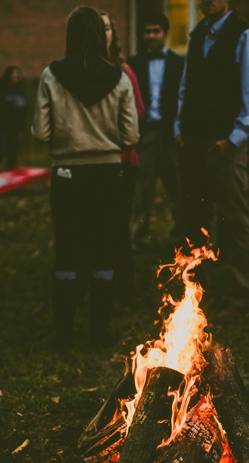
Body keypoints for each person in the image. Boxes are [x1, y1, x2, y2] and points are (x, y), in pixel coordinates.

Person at [32, 6, 139, 350]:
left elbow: (40, 132)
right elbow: (131, 137)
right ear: (99, 34)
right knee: (104, 251)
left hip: (67, 174)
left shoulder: (51, 76)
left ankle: (63, 334)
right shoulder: (120, 77)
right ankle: (99, 332)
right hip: (108, 174)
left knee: (67, 250)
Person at [175, 0, 249, 310]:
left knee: (234, 217)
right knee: (193, 216)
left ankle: (244, 292)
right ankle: (196, 290)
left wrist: (232, 141)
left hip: (225, 143)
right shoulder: (197, 34)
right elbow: (186, 85)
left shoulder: (245, 36)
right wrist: (179, 126)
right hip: (192, 142)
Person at [127, 12, 185, 250]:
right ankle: (138, 238)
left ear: (166, 34)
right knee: (143, 191)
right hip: (146, 134)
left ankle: (180, 236)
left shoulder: (180, 63)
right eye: (147, 32)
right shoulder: (133, 63)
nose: (151, 36)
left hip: (172, 133)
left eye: (156, 31)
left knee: (177, 188)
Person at [100, 10, 146, 300]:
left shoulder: (124, 71)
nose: (103, 33)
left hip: (122, 160)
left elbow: (139, 111)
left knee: (118, 226)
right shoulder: (74, 72)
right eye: (97, 28)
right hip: (90, 162)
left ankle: (123, 286)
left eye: (107, 27)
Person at [0, 66, 27, 170]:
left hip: (15, 129)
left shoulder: (20, 91)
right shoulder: (2, 90)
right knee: (2, 150)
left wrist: (21, 128)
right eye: (14, 76)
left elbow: (23, 111)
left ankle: (10, 178)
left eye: (18, 76)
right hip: (2, 127)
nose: (16, 78)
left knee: (13, 154)